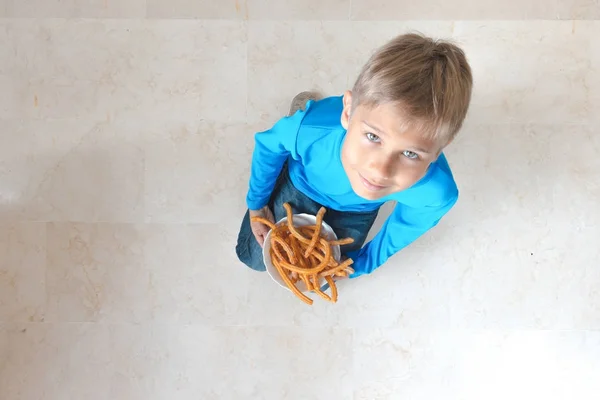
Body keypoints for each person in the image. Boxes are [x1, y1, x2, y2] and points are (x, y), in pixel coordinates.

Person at [236, 33, 473, 279]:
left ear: (440, 149)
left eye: (410, 153)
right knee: (252, 256)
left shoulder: (435, 193)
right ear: (348, 112)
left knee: (323, 278)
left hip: (357, 210)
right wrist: (257, 204)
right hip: (303, 183)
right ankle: (299, 118)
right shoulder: (313, 130)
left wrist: (357, 266)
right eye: (373, 137)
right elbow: (268, 145)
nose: (380, 170)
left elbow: (398, 233)